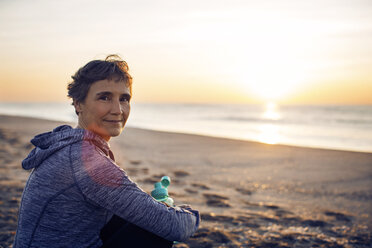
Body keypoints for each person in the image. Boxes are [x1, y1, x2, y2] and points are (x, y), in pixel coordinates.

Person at [13, 55, 200, 248]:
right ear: (78, 103)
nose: (118, 109)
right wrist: (187, 213)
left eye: (124, 99)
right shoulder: (84, 160)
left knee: (134, 217)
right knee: (157, 233)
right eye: (105, 97)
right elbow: (175, 227)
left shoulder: (69, 145)